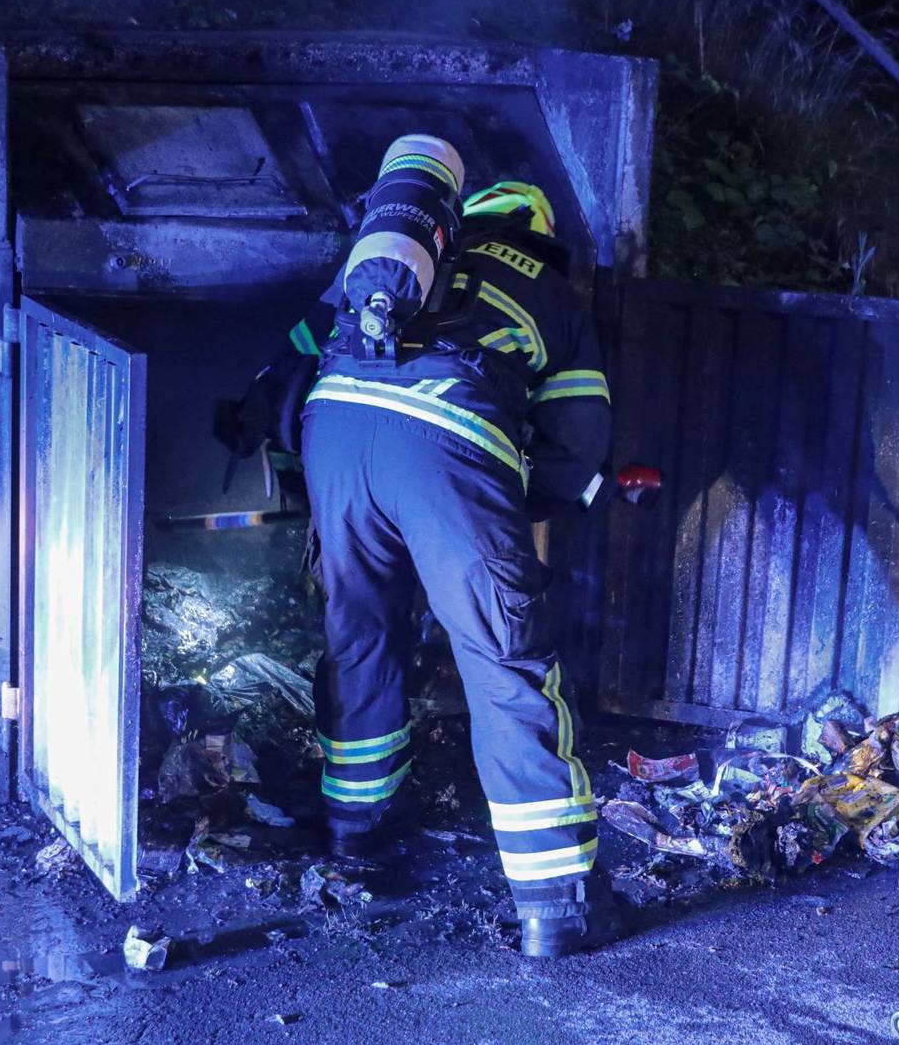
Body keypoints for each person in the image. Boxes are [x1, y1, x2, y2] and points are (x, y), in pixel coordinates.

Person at [221, 176, 620, 957]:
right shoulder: (552, 290)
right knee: (505, 658)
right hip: (446, 439)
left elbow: (297, 354)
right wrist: (509, 514)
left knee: (359, 636)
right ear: (538, 230)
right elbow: (578, 445)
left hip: (335, 429)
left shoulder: (395, 263)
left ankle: (358, 830)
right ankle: (557, 903)